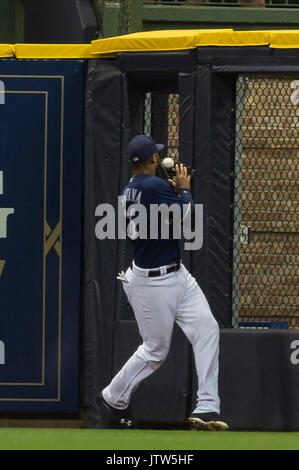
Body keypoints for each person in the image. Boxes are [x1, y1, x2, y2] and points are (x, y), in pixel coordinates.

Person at [100, 135, 228, 431]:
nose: (159, 157)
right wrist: (184, 191)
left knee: (207, 330)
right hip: (152, 283)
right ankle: (113, 397)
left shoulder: (130, 189)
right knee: (155, 350)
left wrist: (172, 194)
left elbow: (161, 218)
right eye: (156, 155)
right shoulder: (154, 186)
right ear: (153, 160)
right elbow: (190, 221)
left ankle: (208, 406)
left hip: (177, 274)